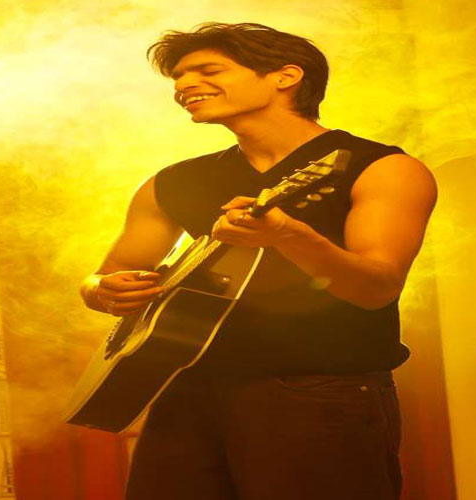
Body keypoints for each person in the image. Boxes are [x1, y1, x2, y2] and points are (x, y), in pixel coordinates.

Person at [80, 22, 437, 500]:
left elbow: (377, 287)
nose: (183, 85)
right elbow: (103, 277)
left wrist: (289, 235)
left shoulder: (383, 169)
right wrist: (101, 290)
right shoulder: (174, 181)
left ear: (285, 76)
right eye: (178, 77)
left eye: (208, 70)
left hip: (318, 392)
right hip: (184, 392)